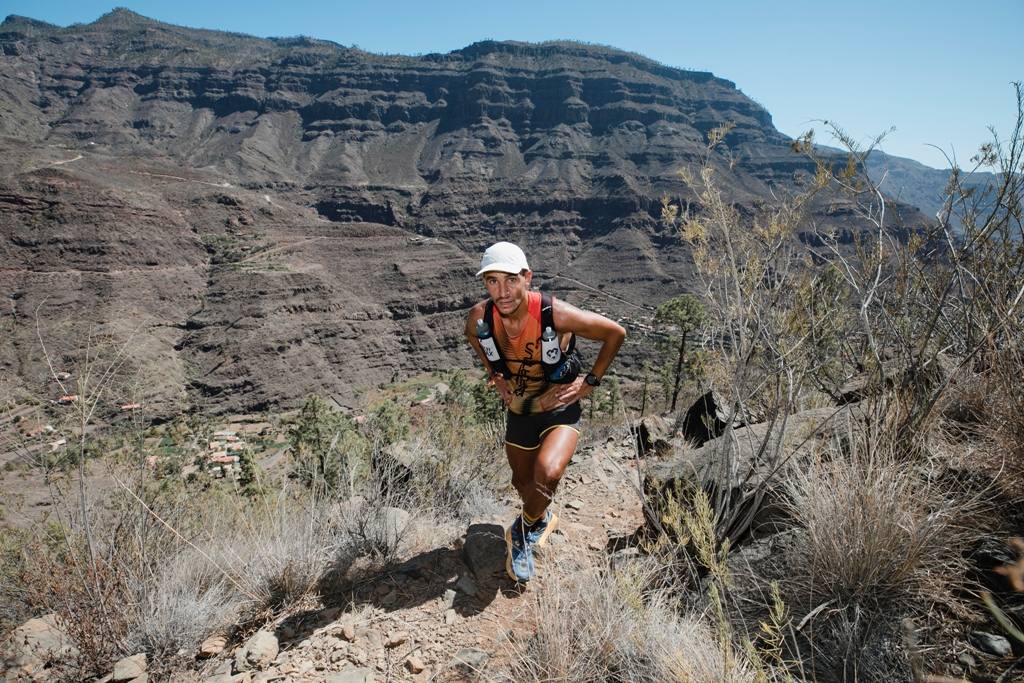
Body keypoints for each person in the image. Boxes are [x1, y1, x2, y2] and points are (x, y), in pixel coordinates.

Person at [464, 241, 626, 583]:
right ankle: (538, 516)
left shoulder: (555, 314)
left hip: (559, 409)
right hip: (521, 409)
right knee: (523, 483)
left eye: (510, 280)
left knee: (548, 473)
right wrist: (494, 374)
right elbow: (472, 336)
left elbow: (615, 333)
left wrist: (590, 382)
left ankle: (521, 534)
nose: (502, 291)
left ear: (527, 277)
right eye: (492, 281)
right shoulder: (481, 317)